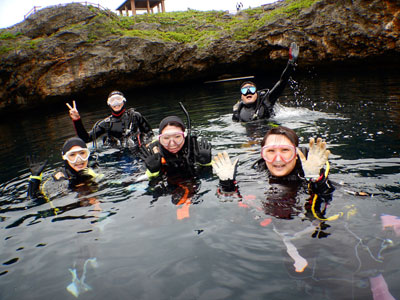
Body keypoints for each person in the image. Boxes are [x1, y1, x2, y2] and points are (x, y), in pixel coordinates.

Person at [233, 42, 299, 122]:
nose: (248, 92)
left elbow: (282, 81)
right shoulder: (238, 112)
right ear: (242, 96)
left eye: (251, 89)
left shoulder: (267, 100)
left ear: (256, 94)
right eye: (245, 90)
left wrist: (291, 63)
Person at [66, 91, 153, 150]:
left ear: (123, 101)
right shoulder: (105, 124)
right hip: (117, 154)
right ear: (109, 104)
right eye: (112, 100)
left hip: (138, 149)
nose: (116, 103)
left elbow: (150, 133)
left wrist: (148, 145)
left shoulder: (135, 116)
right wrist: (77, 120)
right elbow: (86, 138)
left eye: (118, 99)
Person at [27, 137, 103, 203]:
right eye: (72, 155)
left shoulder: (94, 168)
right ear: (65, 157)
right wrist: (35, 179)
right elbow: (35, 200)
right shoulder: (60, 176)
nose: (79, 159)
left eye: (82, 153)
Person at [139, 115, 212, 180]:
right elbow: (137, 184)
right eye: (166, 138)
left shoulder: (194, 146)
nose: (172, 144)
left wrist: (206, 164)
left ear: (184, 136)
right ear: (160, 139)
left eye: (177, 137)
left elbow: (213, 174)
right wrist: (153, 172)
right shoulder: (152, 153)